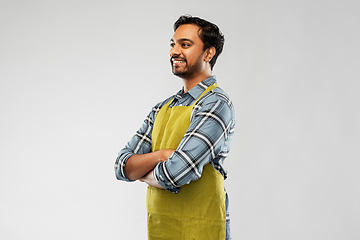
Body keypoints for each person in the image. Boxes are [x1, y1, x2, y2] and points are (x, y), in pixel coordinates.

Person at [115, 15, 235, 240]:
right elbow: (122, 166)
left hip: (202, 228)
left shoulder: (216, 103)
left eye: (185, 44)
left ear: (208, 53)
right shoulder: (162, 108)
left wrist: (142, 172)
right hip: (163, 227)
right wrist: (161, 155)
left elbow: (175, 174)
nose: (174, 51)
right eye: (173, 44)